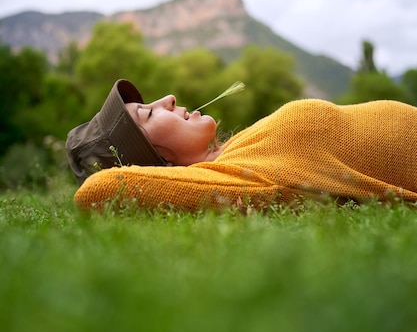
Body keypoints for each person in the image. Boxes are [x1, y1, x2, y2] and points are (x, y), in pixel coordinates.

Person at [67, 79, 417, 212]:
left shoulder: (236, 150)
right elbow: (99, 189)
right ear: (155, 159)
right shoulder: (233, 178)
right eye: (148, 114)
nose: (169, 98)